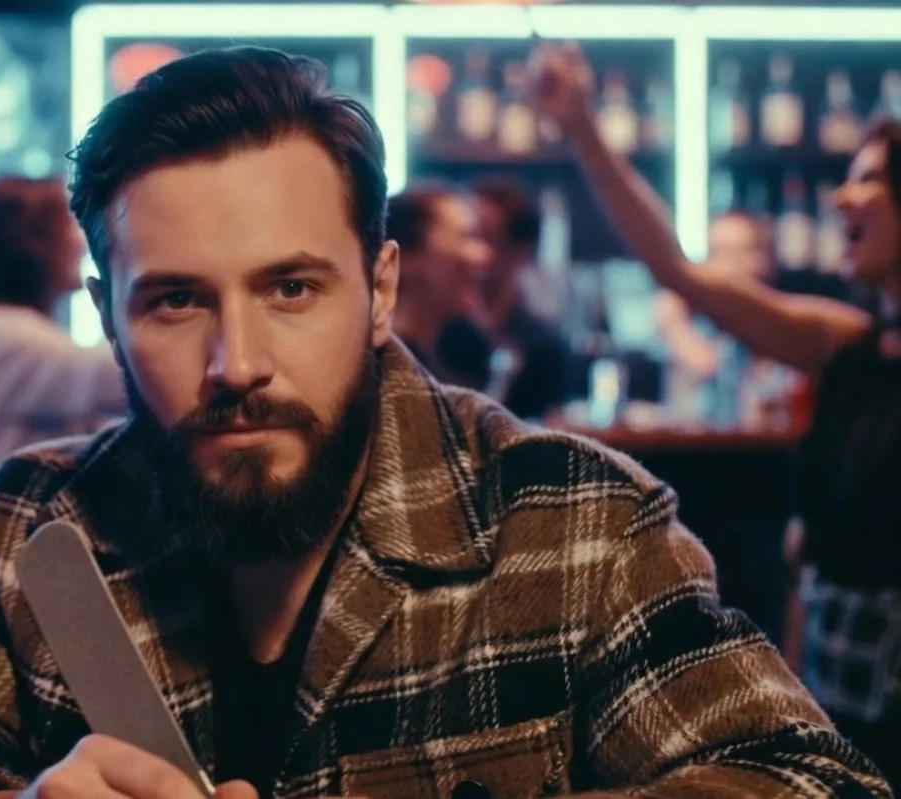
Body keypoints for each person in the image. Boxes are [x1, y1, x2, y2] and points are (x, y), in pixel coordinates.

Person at [0, 48, 888, 799]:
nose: (236, 363)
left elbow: (809, 779)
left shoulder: (568, 519)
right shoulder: (43, 528)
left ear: (379, 288)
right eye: (176, 300)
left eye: (291, 288)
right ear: (105, 314)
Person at [531, 40, 901, 787]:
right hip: (836, 679)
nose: (840, 198)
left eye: (868, 180)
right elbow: (677, 270)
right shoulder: (847, 348)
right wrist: (582, 130)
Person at [0, 177, 126, 526]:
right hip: (4, 545)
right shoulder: (1, 334)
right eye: (69, 226)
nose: (81, 241)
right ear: (32, 245)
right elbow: (116, 374)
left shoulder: (1, 332)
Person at [472, 178, 572, 419]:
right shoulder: (440, 335)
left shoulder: (545, 349)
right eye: (465, 236)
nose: (473, 252)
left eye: (485, 237)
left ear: (521, 251)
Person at [385, 181, 494, 390]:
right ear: (407, 256)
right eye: (467, 237)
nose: (484, 255)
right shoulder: (373, 375)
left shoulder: (460, 358)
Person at [656, 211, 775, 379]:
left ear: (762, 261)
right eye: (718, 253)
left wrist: (675, 325)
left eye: (738, 252)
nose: (728, 266)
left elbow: (714, 372)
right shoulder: (706, 323)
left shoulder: (776, 326)